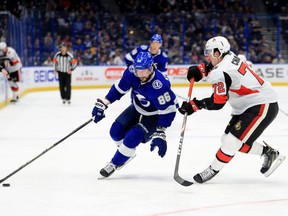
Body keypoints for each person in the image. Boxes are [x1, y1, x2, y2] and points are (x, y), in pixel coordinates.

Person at [178, 36, 286, 183]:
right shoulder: (231, 56)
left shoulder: (220, 73)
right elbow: (223, 67)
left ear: (217, 53)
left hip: (262, 104)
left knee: (231, 142)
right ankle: (268, 153)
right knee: (228, 140)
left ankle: (212, 169)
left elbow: (218, 102)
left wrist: (195, 105)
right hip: (247, 105)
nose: (206, 55)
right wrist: (202, 70)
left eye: (208, 52)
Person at [92, 52, 178, 178]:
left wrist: (161, 131)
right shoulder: (132, 73)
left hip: (154, 115)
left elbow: (168, 110)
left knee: (132, 137)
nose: (140, 75)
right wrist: (104, 102)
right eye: (138, 71)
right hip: (137, 107)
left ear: (151, 68)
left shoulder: (160, 85)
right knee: (115, 131)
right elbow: (119, 89)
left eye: (144, 71)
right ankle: (127, 153)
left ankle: (114, 163)